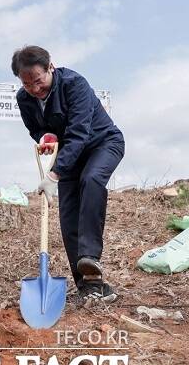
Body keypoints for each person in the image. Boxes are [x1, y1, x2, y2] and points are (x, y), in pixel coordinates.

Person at [11, 45, 125, 304]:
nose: (35, 89)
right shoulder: (24, 99)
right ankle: (88, 285)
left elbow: (79, 133)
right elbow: (36, 131)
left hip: (102, 143)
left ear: (51, 66)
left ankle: (90, 256)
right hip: (67, 155)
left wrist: (54, 174)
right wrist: (46, 141)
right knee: (68, 215)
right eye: (27, 84)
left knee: (92, 179)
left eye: (38, 81)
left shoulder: (75, 84)